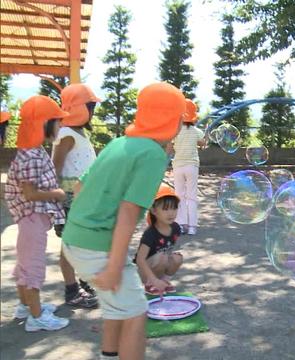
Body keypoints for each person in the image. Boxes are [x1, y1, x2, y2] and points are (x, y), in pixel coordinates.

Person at [61, 82, 186, 360]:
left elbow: (80, 188)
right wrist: (115, 265)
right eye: (179, 116)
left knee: (118, 307)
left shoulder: (119, 142)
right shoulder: (154, 154)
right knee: (136, 313)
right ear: (168, 119)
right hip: (97, 248)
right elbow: (129, 213)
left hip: (74, 240)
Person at [4, 96, 71, 332]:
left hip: (31, 220)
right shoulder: (31, 156)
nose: (60, 126)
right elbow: (30, 194)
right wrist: (58, 193)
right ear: (43, 123)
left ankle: (25, 306)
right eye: (56, 121)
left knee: (24, 265)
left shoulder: (32, 151)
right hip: (32, 218)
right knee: (32, 268)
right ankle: (36, 317)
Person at [51, 83, 100, 309]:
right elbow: (56, 169)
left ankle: (83, 282)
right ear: (79, 108)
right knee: (69, 246)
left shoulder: (79, 133)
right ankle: (72, 291)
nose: (93, 111)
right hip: (71, 200)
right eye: (90, 107)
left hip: (84, 198)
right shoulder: (66, 134)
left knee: (82, 244)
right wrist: (57, 210)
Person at [134, 185, 183, 295]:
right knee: (162, 257)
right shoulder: (150, 233)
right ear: (154, 210)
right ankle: (149, 284)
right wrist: (153, 279)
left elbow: (169, 250)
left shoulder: (176, 228)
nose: (171, 213)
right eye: (165, 209)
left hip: (160, 263)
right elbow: (140, 260)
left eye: (174, 208)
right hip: (144, 271)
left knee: (177, 258)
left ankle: (164, 282)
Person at [172, 99, 206, 235]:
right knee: (192, 196)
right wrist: (203, 140)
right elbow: (203, 144)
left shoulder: (176, 130)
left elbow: (169, 146)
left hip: (178, 165)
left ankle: (180, 225)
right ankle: (192, 227)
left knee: (179, 195)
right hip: (192, 166)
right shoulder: (197, 131)